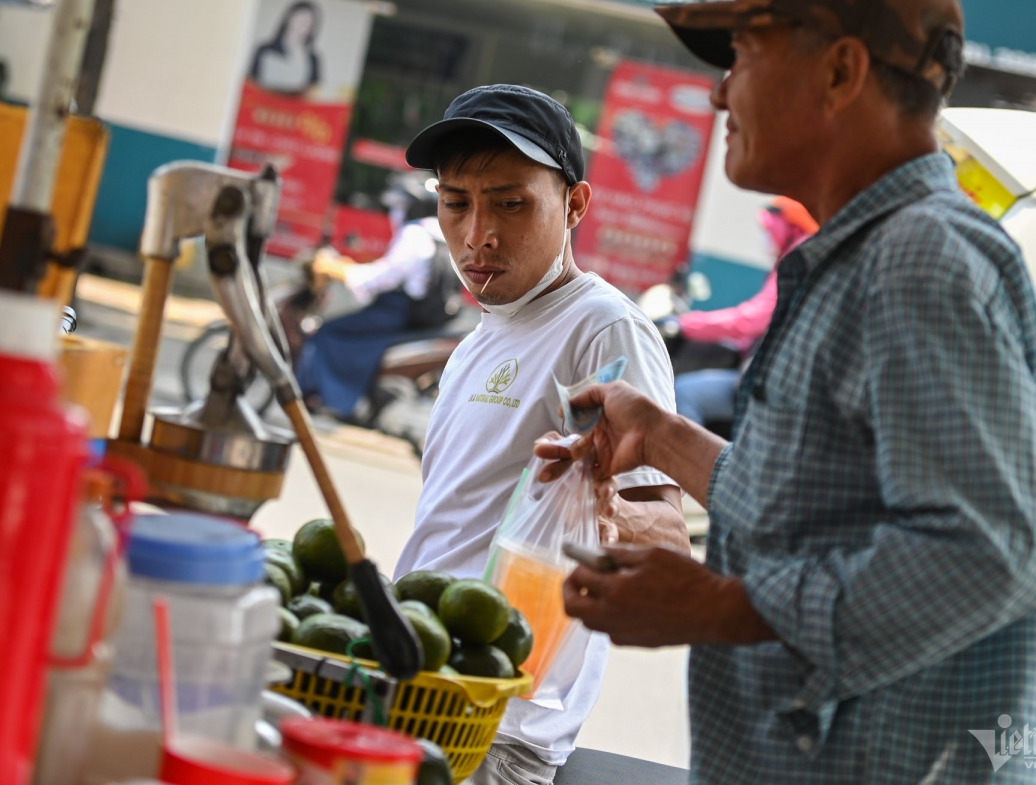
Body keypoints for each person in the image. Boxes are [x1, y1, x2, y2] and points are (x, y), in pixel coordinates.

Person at [540, 0, 1036, 782]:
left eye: (744, 55)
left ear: (840, 71)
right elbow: (821, 507)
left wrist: (718, 606)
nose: (720, 91)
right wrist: (662, 435)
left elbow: (986, 554)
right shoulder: (865, 257)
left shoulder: (919, 261)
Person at [394, 84, 688, 784]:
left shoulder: (604, 329)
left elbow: (670, 539)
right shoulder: (475, 344)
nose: (477, 234)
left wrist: (602, 507)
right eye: (456, 202)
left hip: (497, 724)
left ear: (576, 205)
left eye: (511, 203)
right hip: (414, 686)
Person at [295, 184, 449, 420]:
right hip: (412, 312)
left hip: (395, 310)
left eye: (401, 207)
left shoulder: (415, 234)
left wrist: (342, 271)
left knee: (328, 333)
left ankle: (328, 399)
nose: (395, 213)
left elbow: (383, 277)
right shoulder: (440, 234)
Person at [673, 196, 816, 428]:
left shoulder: (799, 257)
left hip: (769, 381)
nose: (764, 235)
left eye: (767, 227)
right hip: (776, 373)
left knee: (684, 392)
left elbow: (754, 319)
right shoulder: (801, 253)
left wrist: (690, 324)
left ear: (784, 225)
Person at [249, 0, 322, 96]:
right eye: (301, 18)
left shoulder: (313, 59)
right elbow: (251, 83)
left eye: (309, 21)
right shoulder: (264, 50)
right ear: (289, 17)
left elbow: (313, 92)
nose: (304, 23)